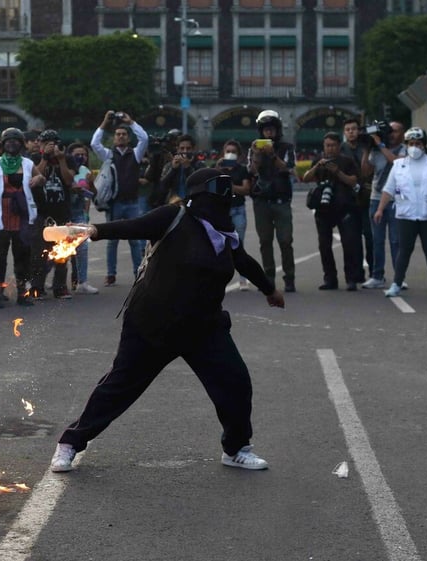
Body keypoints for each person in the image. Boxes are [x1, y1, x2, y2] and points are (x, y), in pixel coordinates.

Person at [50, 168, 285, 473]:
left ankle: (236, 448)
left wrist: (269, 289)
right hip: (153, 323)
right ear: (200, 194)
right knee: (119, 388)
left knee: (235, 382)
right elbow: (133, 226)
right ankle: (70, 443)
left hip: (204, 327)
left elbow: (243, 261)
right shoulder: (174, 217)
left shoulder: (224, 233)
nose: (225, 199)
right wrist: (91, 230)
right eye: (219, 191)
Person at [374, 127, 427, 298]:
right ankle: (396, 284)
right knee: (404, 251)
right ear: (406, 145)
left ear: (424, 145)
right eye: (411, 144)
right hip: (406, 214)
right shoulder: (399, 165)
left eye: (418, 143)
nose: (414, 147)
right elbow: (388, 189)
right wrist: (380, 209)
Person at [0, 127, 40, 308]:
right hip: (1, 216)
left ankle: (24, 293)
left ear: (21, 144)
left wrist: (39, 179)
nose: (12, 144)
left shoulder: (28, 164)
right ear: (4, 144)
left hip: (22, 216)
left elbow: (40, 177)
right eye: (8, 141)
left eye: (15, 141)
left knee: (23, 257)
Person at [90, 110, 149, 287]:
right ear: (114, 138)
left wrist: (131, 122)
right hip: (115, 204)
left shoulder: (135, 154)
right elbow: (94, 143)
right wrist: (104, 123)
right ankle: (111, 273)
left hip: (132, 202)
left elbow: (144, 138)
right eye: (118, 134)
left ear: (128, 138)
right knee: (112, 240)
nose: (121, 137)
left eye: (124, 135)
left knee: (135, 240)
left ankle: (137, 272)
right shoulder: (109, 155)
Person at [301, 131, 362, 291]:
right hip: (323, 208)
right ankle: (330, 279)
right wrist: (317, 166)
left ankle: (351, 279)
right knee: (324, 245)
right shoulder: (318, 161)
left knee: (349, 244)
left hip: (344, 207)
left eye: (333, 145)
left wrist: (338, 172)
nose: (330, 149)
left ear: (338, 146)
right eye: (328, 145)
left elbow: (353, 181)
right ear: (324, 146)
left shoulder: (347, 161)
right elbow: (306, 178)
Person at [247, 109, 297, 292]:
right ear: (261, 131)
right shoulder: (253, 148)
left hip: (281, 201)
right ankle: (268, 278)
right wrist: (258, 155)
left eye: (272, 129)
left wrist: (273, 155)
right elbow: (251, 172)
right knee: (265, 242)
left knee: (285, 240)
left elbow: (289, 169)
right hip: (261, 202)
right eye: (266, 129)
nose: (269, 132)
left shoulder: (287, 147)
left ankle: (289, 278)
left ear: (277, 129)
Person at [361, 121, 407, 289]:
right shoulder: (376, 150)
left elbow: (396, 162)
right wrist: (366, 149)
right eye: (390, 132)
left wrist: (380, 144)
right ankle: (377, 276)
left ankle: (399, 277)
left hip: (396, 200)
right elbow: (365, 171)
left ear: (402, 133)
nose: (391, 135)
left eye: (395, 131)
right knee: (377, 240)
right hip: (376, 199)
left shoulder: (404, 150)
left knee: (396, 241)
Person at [31, 129, 74, 299]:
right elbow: (36, 177)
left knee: (62, 253)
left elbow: (69, 181)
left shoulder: (66, 159)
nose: (50, 146)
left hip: (62, 213)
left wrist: (61, 159)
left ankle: (60, 287)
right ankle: (37, 287)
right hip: (42, 212)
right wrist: (45, 158)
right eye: (46, 143)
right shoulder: (34, 159)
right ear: (40, 144)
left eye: (53, 143)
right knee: (39, 253)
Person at [216, 139, 252, 290]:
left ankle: (243, 279)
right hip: (221, 211)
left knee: (239, 245)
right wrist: (218, 168)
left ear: (238, 155)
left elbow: (246, 189)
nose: (230, 154)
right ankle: (220, 279)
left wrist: (231, 187)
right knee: (220, 245)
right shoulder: (219, 169)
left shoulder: (241, 169)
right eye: (228, 151)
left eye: (233, 152)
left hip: (238, 209)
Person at [340, 119, 373, 281]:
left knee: (370, 236)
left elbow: (367, 171)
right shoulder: (341, 150)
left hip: (366, 198)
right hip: (349, 199)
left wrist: (367, 151)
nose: (351, 132)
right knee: (353, 239)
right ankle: (357, 273)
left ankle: (375, 271)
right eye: (348, 129)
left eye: (354, 129)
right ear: (344, 132)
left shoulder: (366, 148)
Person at [67, 142, 99, 295]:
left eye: (83, 154)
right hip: (65, 211)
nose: (80, 157)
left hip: (80, 211)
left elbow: (92, 193)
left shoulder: (86, 170)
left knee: (82, 247)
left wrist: (91, 183)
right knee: (58, 248)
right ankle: (40, 280)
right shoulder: (66, 169)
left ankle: (82, 282)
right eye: (77, 154)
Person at [154, 134, 207, 205]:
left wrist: (187, 168)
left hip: (193, 203)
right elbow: (163, 187)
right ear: (177, 149)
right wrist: (173, 169)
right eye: (182, 148)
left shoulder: (200, 165)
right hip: (174, 203)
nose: (185, 151)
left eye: (188, 148)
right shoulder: (169, 165)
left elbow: (199, 185)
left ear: (193, 149)